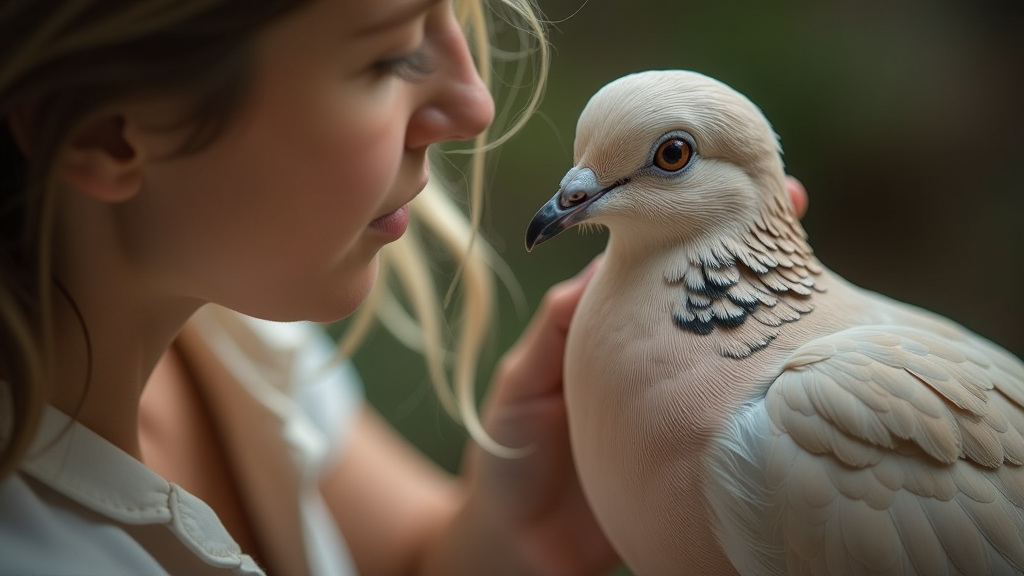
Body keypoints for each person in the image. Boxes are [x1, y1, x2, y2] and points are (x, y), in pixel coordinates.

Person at [0, 1, 810, 575]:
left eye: (448, 18)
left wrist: (517, 533)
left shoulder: (233, 341)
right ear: (110, 132)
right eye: (388, 55)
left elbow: (413, 561)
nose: (473, 104)